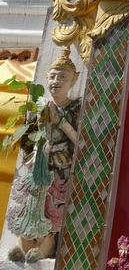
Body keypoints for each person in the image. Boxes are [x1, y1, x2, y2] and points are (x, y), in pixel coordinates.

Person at [7, 48, 81, 263]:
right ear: (46, 78)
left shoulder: (75, 108)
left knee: (51, 209)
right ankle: (22, 244)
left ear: (74, 81)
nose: (57, 81)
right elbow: (26, 141)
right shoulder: (38, 104)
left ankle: (44, 248)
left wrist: (60, 121)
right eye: (53, 76)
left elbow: (81, 142)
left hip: (60, 166)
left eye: (63, 77)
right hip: (38, 165)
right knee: (29, 207)